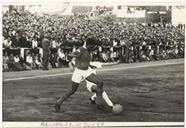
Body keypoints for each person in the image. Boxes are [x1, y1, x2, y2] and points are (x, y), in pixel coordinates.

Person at [55, 38, 107, 112]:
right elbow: (72, 55)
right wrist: (70, 63)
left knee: (100, 83)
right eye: (92, 46)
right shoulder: (81, 49)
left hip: (86, 71)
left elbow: (85, 59)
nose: (93, 47)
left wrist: (90, 65)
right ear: (88, 45)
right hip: (78, 72)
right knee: (72, 90)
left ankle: (99, 104)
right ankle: (58, 103)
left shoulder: (89, 50)